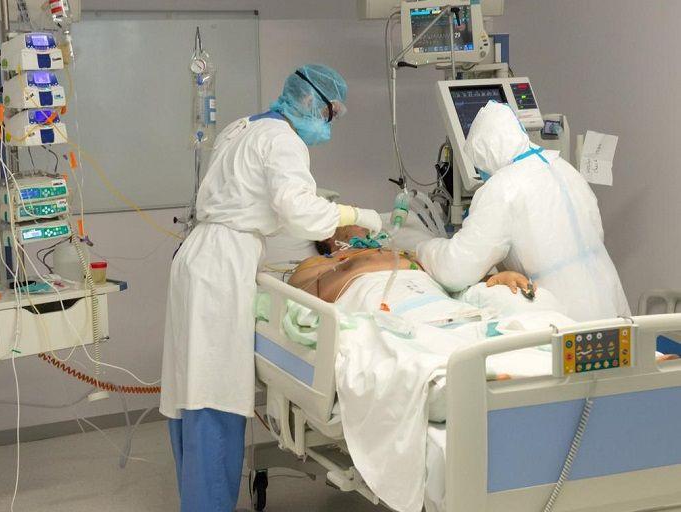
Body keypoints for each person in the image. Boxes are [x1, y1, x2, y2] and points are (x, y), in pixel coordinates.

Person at [160, 64, 383, 512]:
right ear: (312, 103)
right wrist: (356, 215)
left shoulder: (242, 127)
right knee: (213, 394)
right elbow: (299, 211)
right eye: (329, 114)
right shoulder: (283, 141)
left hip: (198, 257)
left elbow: (259, 202)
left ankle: (198, 500)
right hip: (222, 267)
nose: (328, 125)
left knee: (191, 391)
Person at [418, 101, 630, 321]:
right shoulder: (565, 169)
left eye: (480, 168)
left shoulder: (503, 187)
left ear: (484, 154)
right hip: (614, 310)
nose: (482, 175)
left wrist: (423, 248)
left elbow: (456, 270)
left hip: (566, 319)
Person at [290, 225, 532, 303]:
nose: (364, 223)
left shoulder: (400, 253)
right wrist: (349, 265)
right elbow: (298, 298)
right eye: (352, 218)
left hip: (433, 303)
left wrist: (496, 279)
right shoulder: (319, 263)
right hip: (378, 308)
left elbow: (454, 278)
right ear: (327, 235)